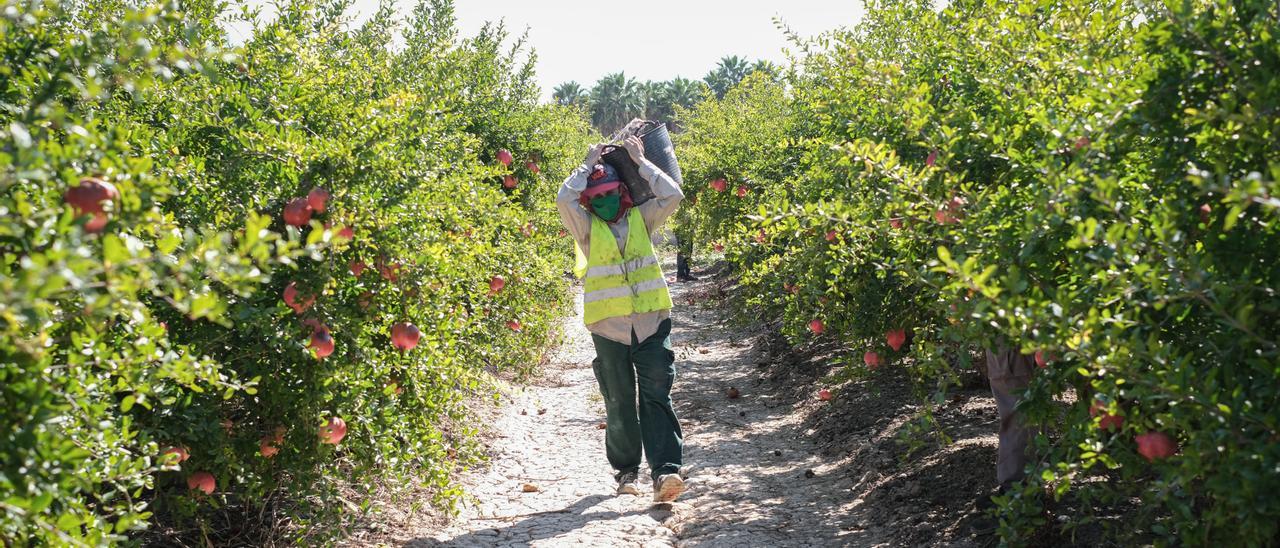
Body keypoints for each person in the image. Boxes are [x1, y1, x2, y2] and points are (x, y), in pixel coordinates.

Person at [556, 136, 687, 503]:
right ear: (588, 201)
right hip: (609, 328)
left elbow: (672, 195)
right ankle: (627, 471)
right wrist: (586, 164)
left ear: (623, 191)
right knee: (618, 399)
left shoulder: (642, 219)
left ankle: (666, 472)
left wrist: (640, 161)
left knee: (657, 394)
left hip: (651, 321)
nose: (603, 201)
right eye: (595, 197)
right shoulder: (585, 229)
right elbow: (563, 199)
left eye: (609, 192)